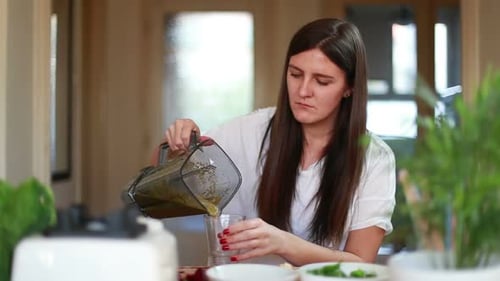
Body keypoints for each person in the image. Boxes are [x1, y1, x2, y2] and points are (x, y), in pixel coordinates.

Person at [163, 18, 396, 266]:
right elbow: (165, 183)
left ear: (349, 87)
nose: (303, 90)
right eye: (295, 74)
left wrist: (284, 243)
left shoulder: (374, 158)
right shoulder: (248, 131)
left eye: (322, 81)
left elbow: (360, 263)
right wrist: (179, 145)